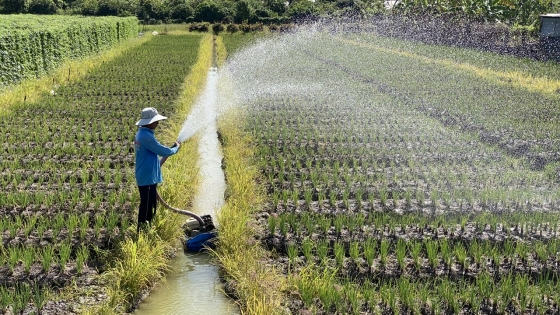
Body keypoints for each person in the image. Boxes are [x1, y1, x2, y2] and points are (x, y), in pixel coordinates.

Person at [134, 107, 180, 231]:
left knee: (149, 203)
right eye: (156, 121)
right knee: (148, 205)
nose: (158, 123)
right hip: (147, 176)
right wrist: (175, 148)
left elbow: (157, 150)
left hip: (145, 174)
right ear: (149, 122)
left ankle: (145, 229)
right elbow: (161, 150)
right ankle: (143, 231)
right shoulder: (145, 136)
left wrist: (170, 149)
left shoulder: (142, 133)